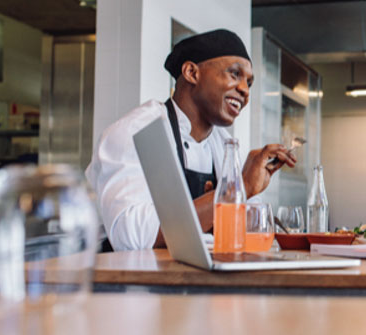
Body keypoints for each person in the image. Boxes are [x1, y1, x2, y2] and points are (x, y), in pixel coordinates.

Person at [86, 29, 296, 251]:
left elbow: (250, 232)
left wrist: (250, 190)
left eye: (249, 83)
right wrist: (239, 187)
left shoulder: (224, 145)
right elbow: (130, 237)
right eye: (234, 74)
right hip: (124, 280)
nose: (244, 90)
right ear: (191, 72)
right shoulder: (137, 132)